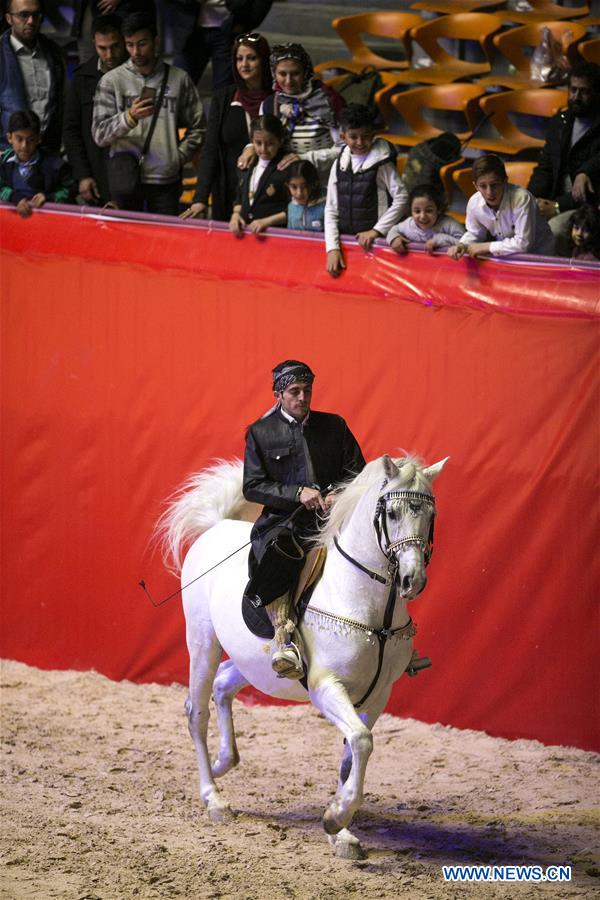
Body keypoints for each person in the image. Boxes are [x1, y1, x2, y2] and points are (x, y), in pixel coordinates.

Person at [243, 360, 365, 679]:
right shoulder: (260, 433)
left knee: (376, 542)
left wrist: (340, 493)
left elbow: (357, 473)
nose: (302, 397)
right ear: (278, 394)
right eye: (294, 391)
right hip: (285, 524)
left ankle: (389, 632)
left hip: (332, 518)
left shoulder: (334, 426)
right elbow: (253, 486)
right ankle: (285, 640)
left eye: (307, 391)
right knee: (281, 550)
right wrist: (296, 493)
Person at [92, 12, 206, 214]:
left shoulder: (179, 79)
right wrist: (129, 117)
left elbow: (199, 127)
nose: (136, 51)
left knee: (163, 241)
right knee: (126, 242)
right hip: (125, 178)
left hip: (166, 180)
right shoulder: (112, 81)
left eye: (142, 43)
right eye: (129, 44)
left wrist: (177, 157)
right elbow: (99, 134)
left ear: (156, 41)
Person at [180, 32, 272, 222]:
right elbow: (210, 150)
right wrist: (200, 199)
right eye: (239, 59)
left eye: (251, 58)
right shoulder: (224, 98)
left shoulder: (277, 98)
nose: (244, 65)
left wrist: (254, 148)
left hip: (269, 196)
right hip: (228, 193)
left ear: (263, 60)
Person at [325, 103, 409, 278]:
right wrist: (332, 248)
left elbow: (402, 197)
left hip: (377, 243)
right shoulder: (339, 163)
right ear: (343, 136)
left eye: (365, 136)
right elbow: (331, 208)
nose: (360, 142)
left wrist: (376, 231)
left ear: (373, 134)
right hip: (347, 241)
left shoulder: (382, 162)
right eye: (353, 137)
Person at [528, 62, 600, 257]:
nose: (576, 97)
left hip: (587, 208)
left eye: (584, 91)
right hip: (555, 199)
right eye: (573, 90)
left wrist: (558, 207)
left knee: (555, 230)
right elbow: (545, 168)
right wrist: (531, 199)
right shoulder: (560, 122)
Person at [63, 15, 127, 206]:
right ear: (94, 43)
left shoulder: (138, 76)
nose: (109, 55)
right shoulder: (82, 79)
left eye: (115, 46)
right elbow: (71, 130)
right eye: (102, 48)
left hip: (133, 179)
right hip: (97, 178)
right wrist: (83, 175)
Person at [448, 155, 554, 260]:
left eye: (494, 185)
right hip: (507, 255)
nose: (489, 192)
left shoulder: (521, 198)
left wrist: (486, 246)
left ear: (505, 181)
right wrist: (462, 245)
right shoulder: (474, 202)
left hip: (541, 256)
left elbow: (523, 243)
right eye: (483, 186)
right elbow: (474, 233)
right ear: (475, 186)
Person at [161, 0, 272, 91]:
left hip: (229, 31)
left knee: (224, 92)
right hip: (189, 31)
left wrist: (247, 24)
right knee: (176, 88)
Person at [0, 0, 66, 153]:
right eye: (24, 15)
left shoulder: (54, 53)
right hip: (7, 153)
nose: (31, 21)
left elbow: (60, 105)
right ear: (9, 18)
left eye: (36, 15)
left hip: (48, 152)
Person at [0, 109, 74, 217]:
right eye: (19, 139)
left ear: (39, 139)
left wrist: (49, 197)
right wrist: (14, 197)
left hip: (47, 223)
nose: (24, 146)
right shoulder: (4, 162)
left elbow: (71, 189)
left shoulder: (55, 165)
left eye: (30, 140)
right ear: (9, 138)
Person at [229, 113, 288, 235]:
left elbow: (295, 208)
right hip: (246, 233)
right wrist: (235, 215)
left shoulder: (287, 168)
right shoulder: (245, 164)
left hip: (275, 234)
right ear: (252, 141)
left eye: (270, 143)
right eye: (258, 143)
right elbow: (239, 199)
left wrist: (267, 222)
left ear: (280, 141)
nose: (263, 149)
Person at [387, 183, 464, 255]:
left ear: (439, 210)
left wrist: (440, 240)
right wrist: (394, 238)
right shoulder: (408, 225)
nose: (423, 216)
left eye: (429, 211)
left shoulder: (449, 224)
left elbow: (466, 243)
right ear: (411, 211)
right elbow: (394, 229)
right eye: (417, 211)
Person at [285, 159, 325, 232]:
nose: (299, 193)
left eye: (305, 186)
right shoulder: (291, 207)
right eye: (294, 187)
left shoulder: (326, 207)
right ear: (287, 186)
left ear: (315, 184)